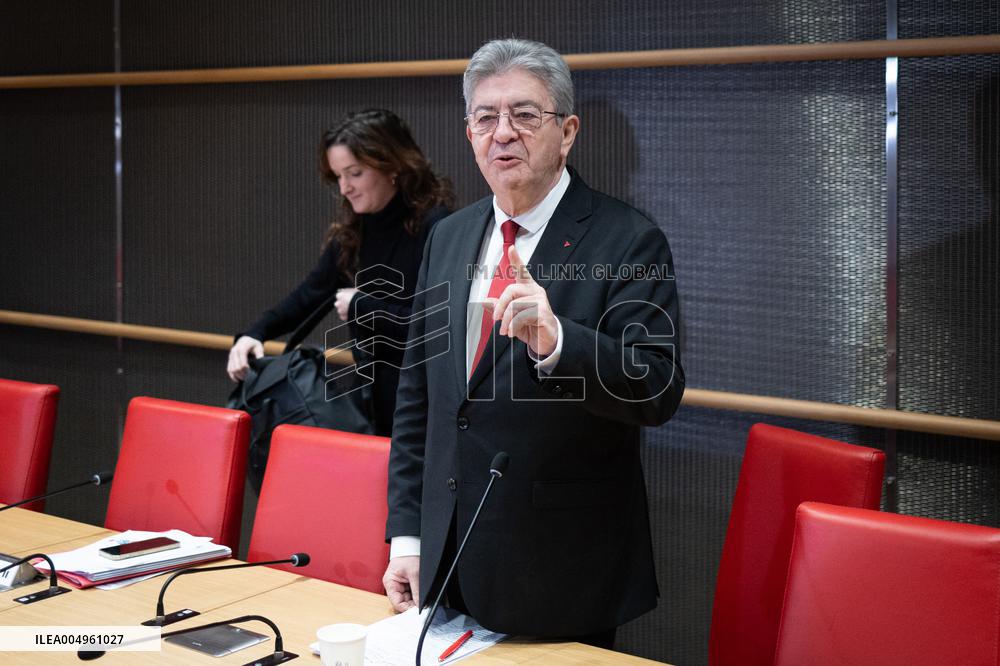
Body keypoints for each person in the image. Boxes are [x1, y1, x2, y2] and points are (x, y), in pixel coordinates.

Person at [382, 39, 685, 648]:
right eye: (486, 118)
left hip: (559, 569)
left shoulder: (628, 239)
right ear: (468, 134)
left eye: (525, 115)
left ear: (567, 131)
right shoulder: (449, 235)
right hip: (447, 562)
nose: (503, 134)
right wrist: (409, 538)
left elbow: (656, 387)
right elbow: (422, 397)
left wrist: (558, 341)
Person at [227, 109, 455, 437]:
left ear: (392, 165)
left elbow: (437, 325)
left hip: (428, 406)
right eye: (338, 176)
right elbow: (309, 294)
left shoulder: (438, 226)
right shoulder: (355, 231)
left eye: (355, 173)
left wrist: (362, 306)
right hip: (373, 404)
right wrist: (254, 333)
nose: (345, 188)